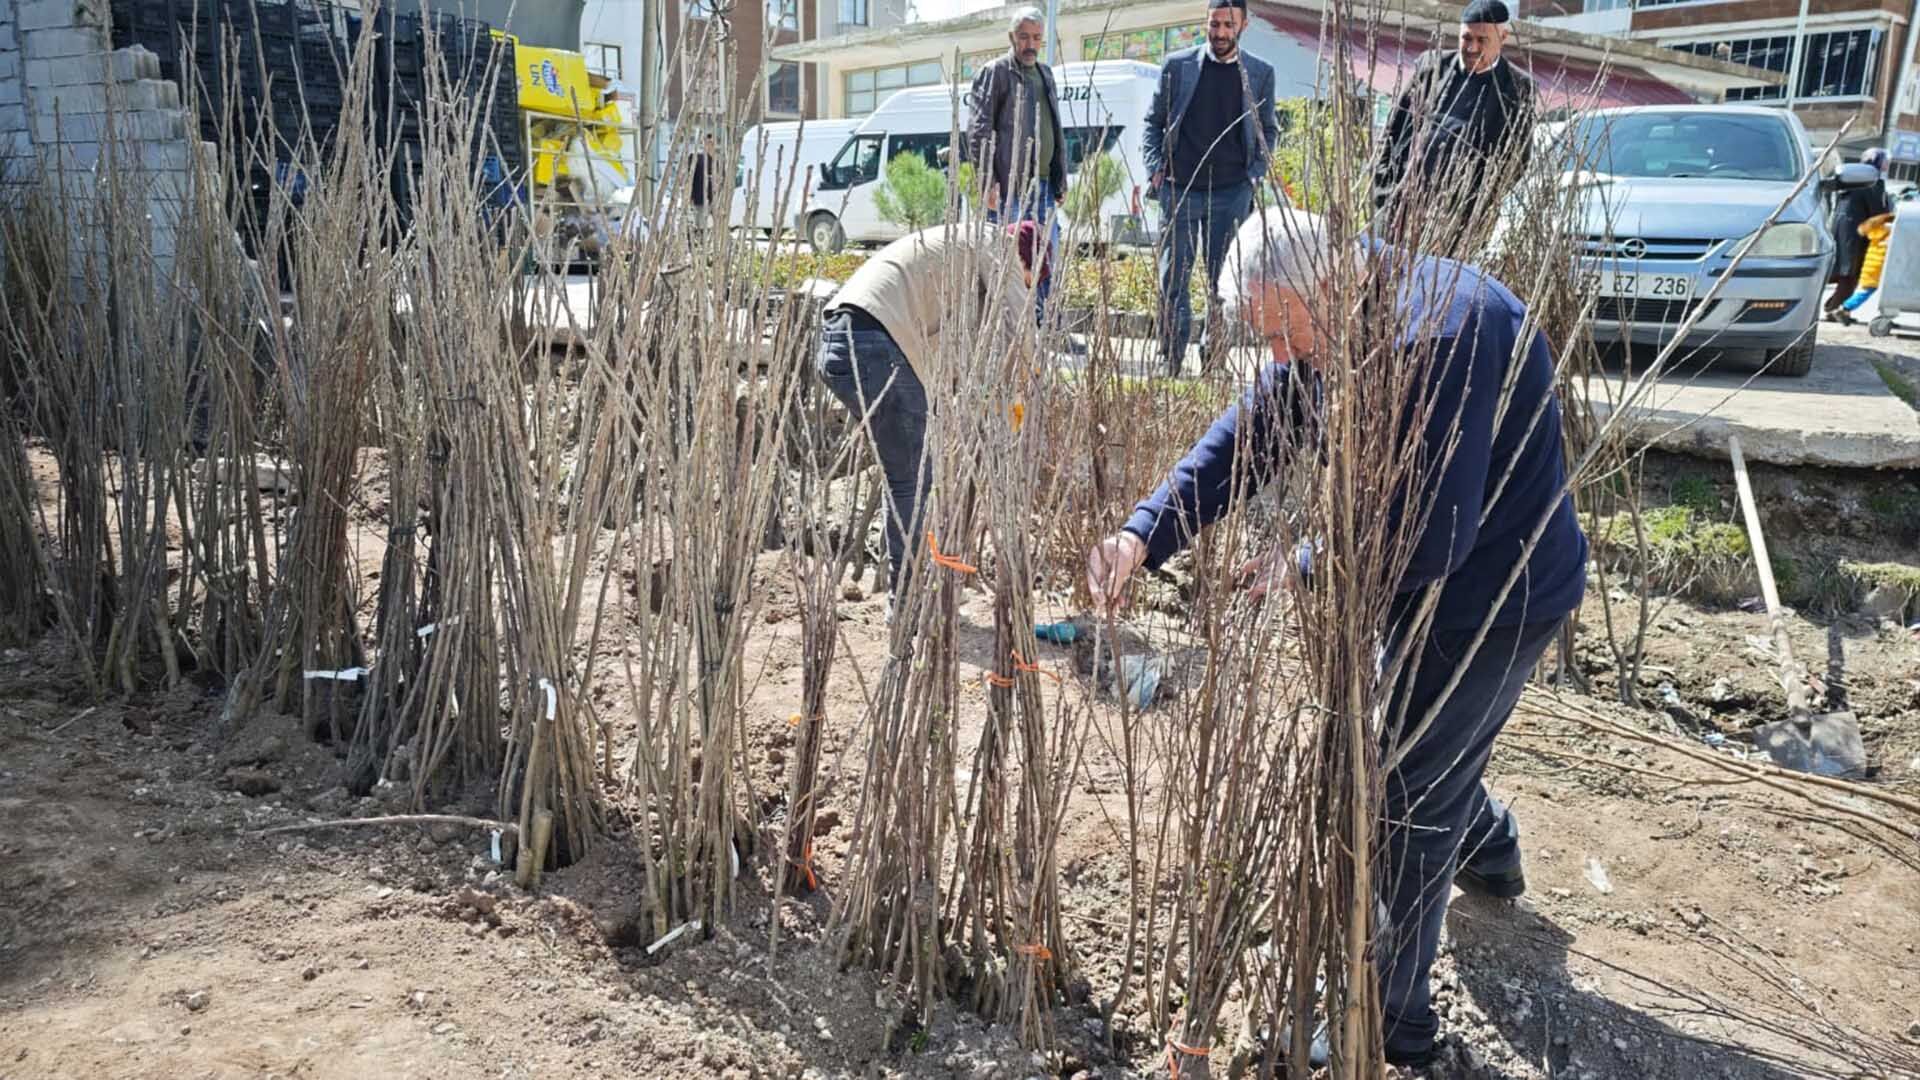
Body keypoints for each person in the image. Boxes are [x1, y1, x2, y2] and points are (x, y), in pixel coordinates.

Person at [1085, 207, 1588, 1068]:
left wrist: (1304, 563)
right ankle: (1494, 856)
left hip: (1497, 594)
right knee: (1427, 748)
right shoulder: (1329, 321)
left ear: (1326, 285)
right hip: (1420, 585)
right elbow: (1255, 427)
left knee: (1407, 792)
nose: (1279, 358)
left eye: (1283, 334)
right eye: (1265, 338)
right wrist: (1144, 531)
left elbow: (1433, 531)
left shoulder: (1442, 334)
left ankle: (1396, 1024)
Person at [815, 222, 1047, 602]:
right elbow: (1020, 335)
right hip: (877, 340)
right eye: (1030, 279)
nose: (1028, 286)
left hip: (838, 338)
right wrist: (1021, 393)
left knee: (904, 473)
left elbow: (948, 353)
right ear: (1029, 259)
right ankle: (908, 602)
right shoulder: (1000, 248)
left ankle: (907, 593)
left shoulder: (960, 248)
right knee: (914, 480)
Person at [1143, 0, 1279, 376]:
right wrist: (1156, 168)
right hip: (1180, 188)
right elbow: (1153, 122)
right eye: (1214, 24)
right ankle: (1168, 358)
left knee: (1225, 282)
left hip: (1231, 193)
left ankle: (1214, 360)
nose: (1219, 33)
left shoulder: (1260, 73)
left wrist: (1255, 174)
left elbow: (1268, 130)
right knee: (1173, 277)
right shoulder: (1177, 66)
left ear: (1243, 25)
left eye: (1227, 25)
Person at [1371, 0, 1537, 253]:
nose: (1472, 48)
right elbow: (1391, 135)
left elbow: (1516, 162)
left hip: (1458, 225)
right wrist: (1385, 196)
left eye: (1482, 40)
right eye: (1466, 38)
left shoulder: (1517, 88)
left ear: (1503, 37)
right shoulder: (1430, 67)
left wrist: (1467, 211)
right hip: (1400, 212)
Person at [967, 7, 1067, 318]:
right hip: (1011, 187)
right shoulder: (995, 72)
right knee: (1012, 261)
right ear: (1012, 37)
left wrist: (1060, 177)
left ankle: (1042, 324)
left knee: (1045, 258)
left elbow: (1055, 126)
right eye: (1024, 37)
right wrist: (987, 181)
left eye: (1037, 38)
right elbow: (978, 129)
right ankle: (1012, 325)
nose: (1030, 44)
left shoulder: (1045, 73)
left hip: (1045, 185)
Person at [1826, 148, 1892, 321]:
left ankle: (1836, 307)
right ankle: (1835, 310)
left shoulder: (1854, 179)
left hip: (1843, 230)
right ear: (1876, 161)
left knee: (1846, 272)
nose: (1887, 163)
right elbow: (1878, 212)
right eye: (1884, 159)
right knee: (1850, 273)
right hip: (1855, 233)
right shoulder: (1871, 182)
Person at [1834, 210, 1895, 325]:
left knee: (1867, 290)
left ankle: (1846, 310)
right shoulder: (1891, 231)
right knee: (1867, 291)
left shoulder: (1878, 229)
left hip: (1871, 266)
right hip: (1880, 267)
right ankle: (1845, 308)